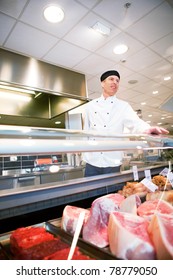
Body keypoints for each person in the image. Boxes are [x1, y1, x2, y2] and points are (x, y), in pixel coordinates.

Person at [82, 70, 169, 177]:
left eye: (117, 80)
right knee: (90, 193)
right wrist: (83, 153)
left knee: (113, 193)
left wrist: (147, 129)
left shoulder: (123, 106)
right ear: (102, 83)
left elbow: (136, 122)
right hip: (92, 162)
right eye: (111, 79)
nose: (115, 82)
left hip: (112, 163)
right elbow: (86, 132)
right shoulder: (90, 106)